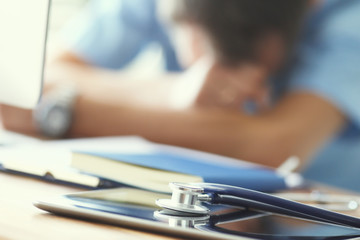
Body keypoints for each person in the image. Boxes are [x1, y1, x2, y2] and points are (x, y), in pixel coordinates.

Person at [1, 0, 360, 191]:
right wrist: (171, 91)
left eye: (251, 71)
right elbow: (34, 78)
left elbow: (273, 147)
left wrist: (58, 114)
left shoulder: (348, 18)